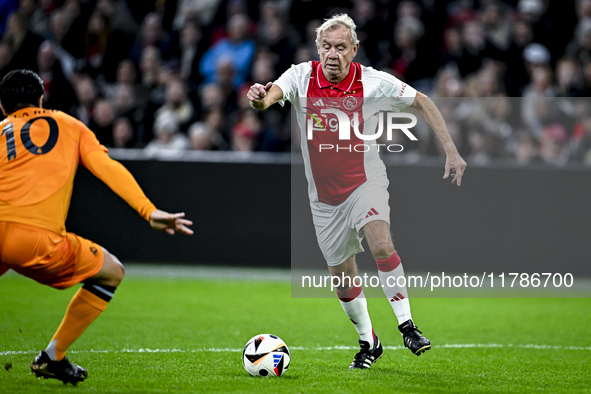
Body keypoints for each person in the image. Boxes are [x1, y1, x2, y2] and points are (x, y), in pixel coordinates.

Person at [247, 14, 467, 369]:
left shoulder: (372, 82)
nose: (332, 54)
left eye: (340, 47)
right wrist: (258, 98)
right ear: (318, 48)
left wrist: (452, 152)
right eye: (326, 46)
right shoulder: (300, 76)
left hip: (365, 181)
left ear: (354, 50)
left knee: (381, 242)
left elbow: (423, 101)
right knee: (342, 277)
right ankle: (369, 342)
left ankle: (407, 325)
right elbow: (268, 98)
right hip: (323, 198)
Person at [0, 70, 193, 385]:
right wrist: (149, 210)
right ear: (40, 100)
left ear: (2, 107)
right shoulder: (69, 125)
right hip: (36, 240)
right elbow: (107, 167)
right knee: (111, 270)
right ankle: (53, 356)